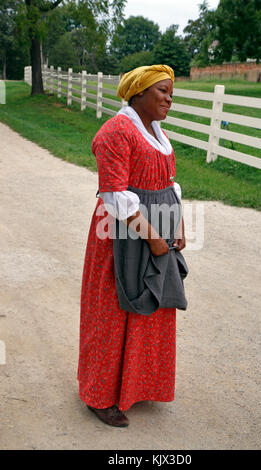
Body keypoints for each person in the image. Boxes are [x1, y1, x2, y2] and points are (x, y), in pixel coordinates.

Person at [77, 65, 188, 428]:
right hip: (122, 234)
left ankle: (134, 385)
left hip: (155, 230)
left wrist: (178, 225)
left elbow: (170, 183)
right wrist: (154, 238)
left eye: (171, 92)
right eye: (162, 91)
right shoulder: (116, 132)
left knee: (147, 310)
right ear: (138, 93)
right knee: (112, 310)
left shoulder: (156, 131)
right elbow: (115, 197)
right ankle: (99, 395)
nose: (169, 98)